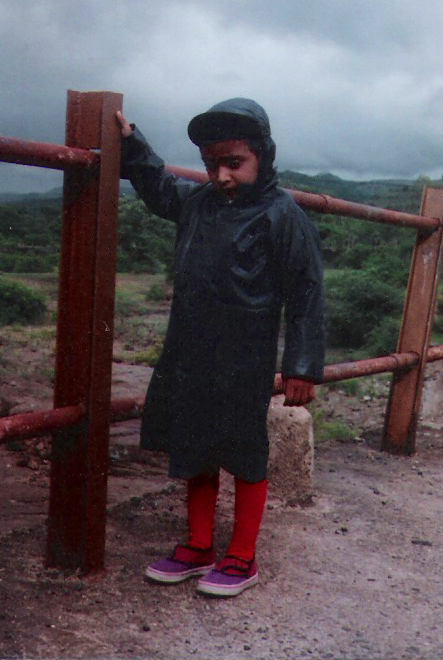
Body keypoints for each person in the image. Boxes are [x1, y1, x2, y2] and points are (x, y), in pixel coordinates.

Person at [116, 97, 325, 597]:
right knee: (196, 443)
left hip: (244, 355)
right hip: (190, 349)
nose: (223, 175)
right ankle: (198, 545)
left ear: (262, 157)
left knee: (245, 449)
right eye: (212, 165)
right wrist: (131, 144)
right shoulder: (199, 203)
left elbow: (306, 292)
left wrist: (301, 366)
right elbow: (159, 187)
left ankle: (243, 555)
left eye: (235, 163)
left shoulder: (282, 215)